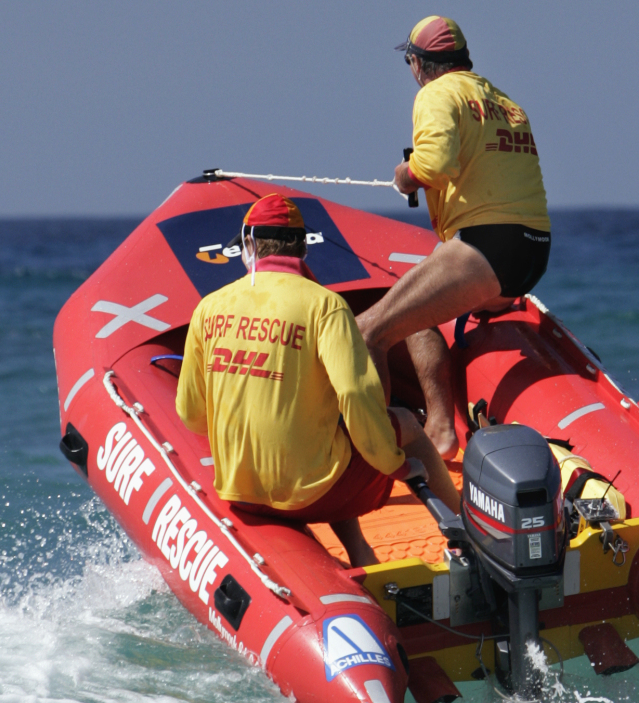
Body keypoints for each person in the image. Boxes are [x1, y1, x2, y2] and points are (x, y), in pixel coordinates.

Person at [176, 192, 461, 567]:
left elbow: (192, 415)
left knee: (329, 438)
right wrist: (397, 465)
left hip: (240, 493)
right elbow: (358, 394)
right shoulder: (325, 305)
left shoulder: (208, 307)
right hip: (311, 496)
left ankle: (360, 552)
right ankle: (467, 528)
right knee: (401, 423)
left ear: (249, 246)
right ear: (302, 251)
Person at [356, 16, 551, 459]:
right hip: (533, 252)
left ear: (419, 64)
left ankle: (379, 457)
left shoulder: (435, 93)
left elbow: (435, 164)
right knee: (415, 309)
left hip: (487, 247)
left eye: (409, 61)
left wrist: (405, 177)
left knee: (367, 332)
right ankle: (442, 432)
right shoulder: (505, 101)